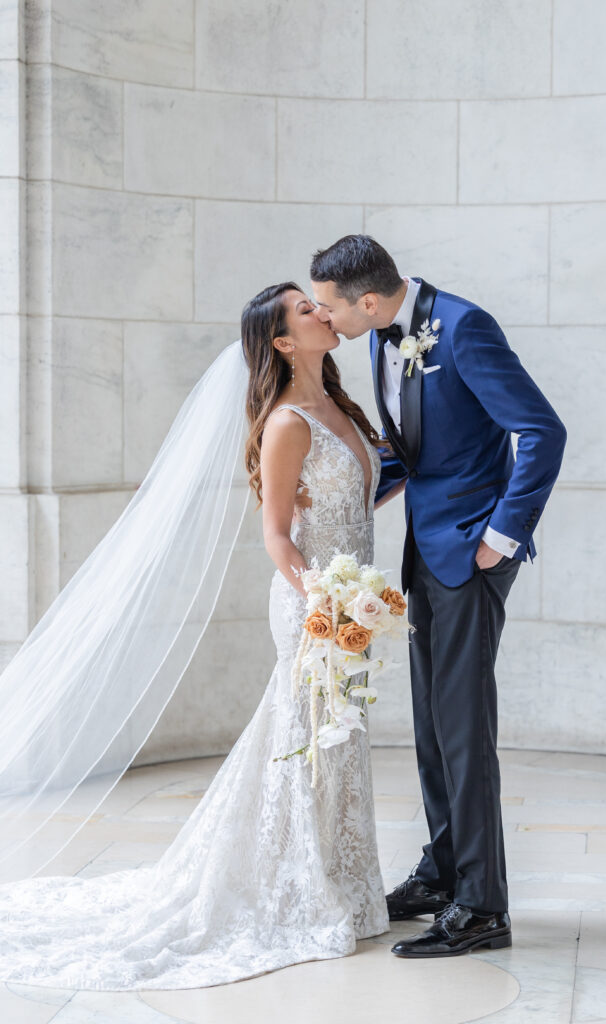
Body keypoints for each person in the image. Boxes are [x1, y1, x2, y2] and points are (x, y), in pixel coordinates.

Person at [0, 282, 393, 989]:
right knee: (307, 741)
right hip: (314, 607)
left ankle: (342, 881)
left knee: (340, 740)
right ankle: (291, 886)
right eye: (307, 310)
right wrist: (322, 604)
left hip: (354, 606)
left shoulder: (340, 407)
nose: (322, 314)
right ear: (281, 341)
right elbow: (277, 535)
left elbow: (365, 496)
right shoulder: (286, 422)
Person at [311, 235, 567, 958]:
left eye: (330, 308)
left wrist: (501, 535)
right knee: (430, 720)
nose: (326, 321)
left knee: (461, 726)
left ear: (366, 301)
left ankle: (482, 906)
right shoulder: (380, 336)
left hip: (471, 552)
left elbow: (541, 430)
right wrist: (354, 493)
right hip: (424, 546)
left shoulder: (462, 327)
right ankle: (445, 870)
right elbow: (417, 446)